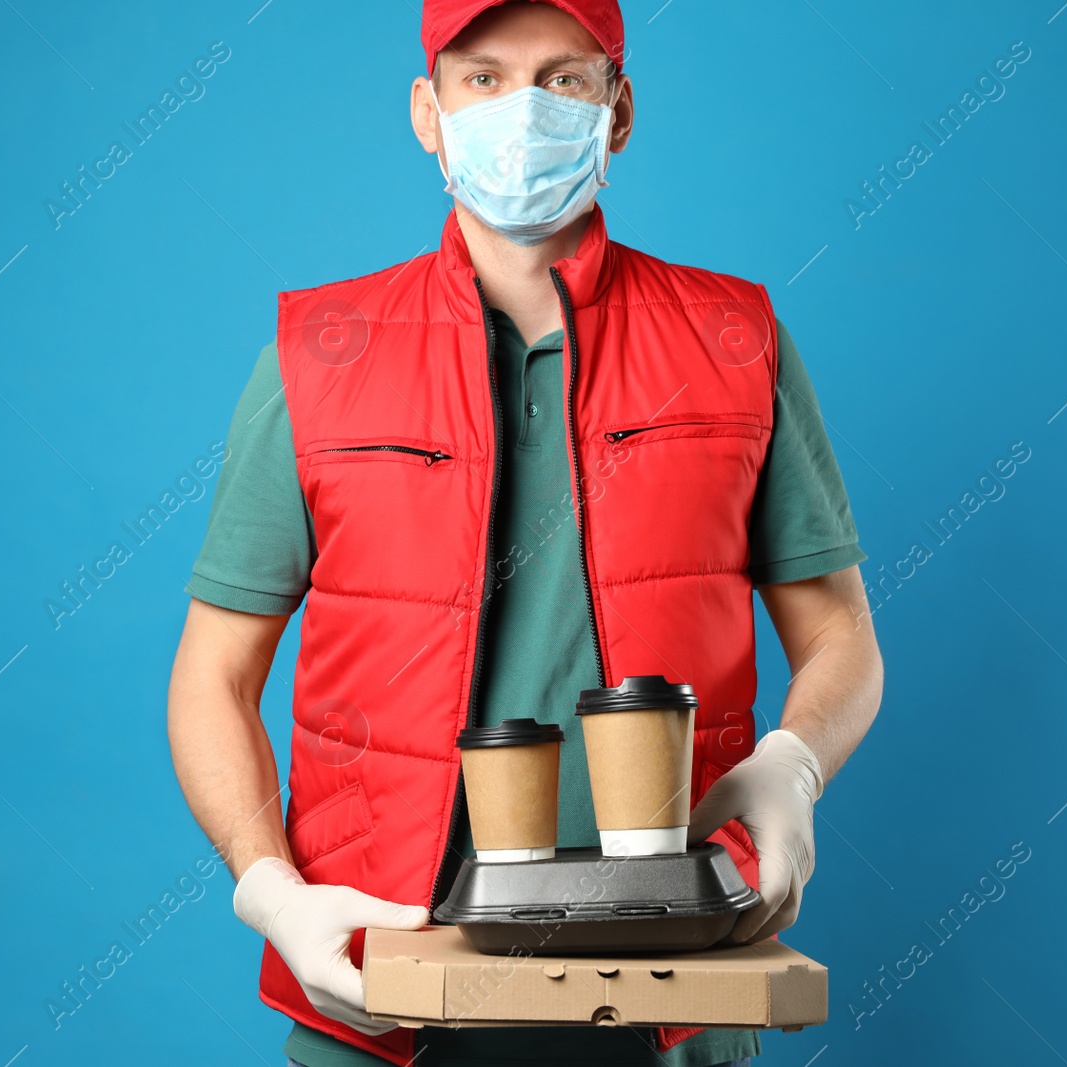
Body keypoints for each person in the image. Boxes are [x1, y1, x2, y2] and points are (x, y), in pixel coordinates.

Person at [166, 2, 885, 1064]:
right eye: (484, 79)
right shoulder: (318, 359)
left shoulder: (735, 342)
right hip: (382, 982)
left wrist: (792, 766)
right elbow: (211, 677)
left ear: (618, 110)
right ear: (428, 111)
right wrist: (270, 890)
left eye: (564, 79)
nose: (523, 111)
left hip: (672, 985)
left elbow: (843, 642)